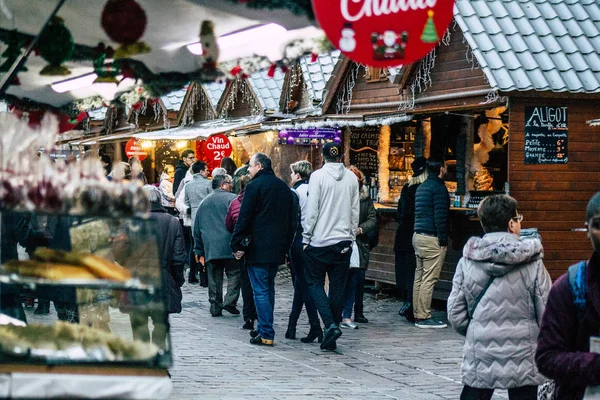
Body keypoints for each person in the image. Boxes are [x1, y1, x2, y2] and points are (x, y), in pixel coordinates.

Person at [447, 194, 551, 400]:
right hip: (524, 354)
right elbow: (548, 312)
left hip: (481, 352)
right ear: (511, 224)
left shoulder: (468, 261)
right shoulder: (532, 262)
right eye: (518, 218)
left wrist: (477, 330)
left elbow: (455, 315)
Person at [536, 191, 600, 399]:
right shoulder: (569, 287)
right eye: (599, 224)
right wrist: (594, 365)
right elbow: (547, 356)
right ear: (587, 230)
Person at [230, 153, 295, 346]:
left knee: (260, 290)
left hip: (258, 247)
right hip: (276, 248)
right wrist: (286, 245)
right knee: (268, 288)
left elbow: (245, 217)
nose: (248, 170)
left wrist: (236, 243)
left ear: (259, 166)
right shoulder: (284, 187)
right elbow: (292, 220)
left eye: (250, 166)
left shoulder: (254, 186)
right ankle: (263, 327)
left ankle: (266, 331)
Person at [303, 143, 359, 351]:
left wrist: (306, 236)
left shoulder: (317, 177)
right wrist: (351, 235)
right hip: (343, 241)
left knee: (314, 283)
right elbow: (355, 211)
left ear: (323, 156)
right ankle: (331, 334)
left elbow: (312, 210)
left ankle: (330, 325)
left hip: (319, 241)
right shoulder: (352, 178)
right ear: (341, 156)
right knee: (337, 288)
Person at [121, 186, 185, 347]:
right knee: (160, 322)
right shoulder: (172, 222)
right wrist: (176, 280)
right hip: (162, 277)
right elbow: (178, 258)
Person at [284, 160, 322, 343]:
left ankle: (315, 325)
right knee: (301, 283)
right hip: (315, 240)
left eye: (292, 173)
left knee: (305, 284)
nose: (291, 176)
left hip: (299, 239)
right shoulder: (315, 190)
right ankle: (292, 325)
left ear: (297, 175)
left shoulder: (294, 193)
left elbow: (291, 221)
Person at [193, 174, 240, 317]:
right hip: (230, 245)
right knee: (235, 274)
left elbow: (197, 229)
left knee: (214, 277)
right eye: (229, 183)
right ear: (222, 185)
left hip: (211, 247)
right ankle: (230, 301)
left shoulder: (203, 203)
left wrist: (199, 250)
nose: (231, 185)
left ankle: (215, 306)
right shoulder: (232, 199)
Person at [412, 158, 450, 329]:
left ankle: (417, 313)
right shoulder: (439, 189)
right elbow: (440, 216)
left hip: (418, 235)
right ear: (441, 169)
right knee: (429, 278)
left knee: (419, 277)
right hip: (431, 237)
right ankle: (424, 316)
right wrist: (443, 239)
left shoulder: (422, 187)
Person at [341, 166, 377, 329]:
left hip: (359, 243)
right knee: (340, 279)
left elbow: (372, 218)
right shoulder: (340, 195)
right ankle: (338, 313)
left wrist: (360, 229)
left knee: (357, 278)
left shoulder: (365, 198)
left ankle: (354, 313)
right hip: (340, 240)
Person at [394, 156, 427, 322]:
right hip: (416, 233)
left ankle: (407, 302)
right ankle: (411, 305)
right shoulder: (425, 188)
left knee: (406, 271)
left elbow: (400, 213)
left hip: (403, 234)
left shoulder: (407, 187)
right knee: (416, 272)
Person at [226, 173, 257, 330]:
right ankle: (259, 312)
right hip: (258, 245)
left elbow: (230, 225)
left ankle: (249, 315)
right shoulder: (259, 201)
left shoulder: (235, 202)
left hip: (242, 247)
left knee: (246, 281)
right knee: (261, 283)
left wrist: (236, 245)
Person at [184, 161, 212, 285]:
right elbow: (212, 198)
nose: (208, 172)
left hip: (194, 216)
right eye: (206, 169)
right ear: (201, 171)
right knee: (206, 246)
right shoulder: (208, 183)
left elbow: (186, 202)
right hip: (206, 215)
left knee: (196, 246)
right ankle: (205, 276)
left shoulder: (188, 185)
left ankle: (194, 274)